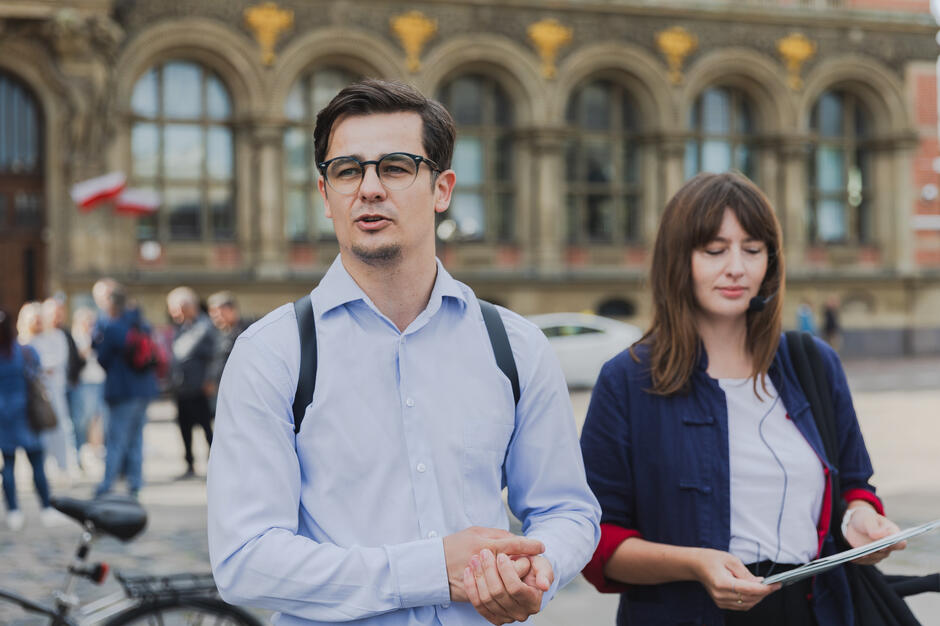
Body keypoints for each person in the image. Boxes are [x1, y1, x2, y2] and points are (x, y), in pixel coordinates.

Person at [207, 79, 600, 625]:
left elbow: (567, 509)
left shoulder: (514, 345)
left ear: (442, 189)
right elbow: (245, 560)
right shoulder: (272, 354)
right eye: (347, 170)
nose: (369, 188)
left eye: (395, 167)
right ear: (325, 195)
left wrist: (538, 568)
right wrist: (432, 570)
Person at [579, 172, 905, 626]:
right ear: (678, 259)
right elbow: (597, 541)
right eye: (714, 250)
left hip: (814, 611)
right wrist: (695, 563)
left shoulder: (813, 362)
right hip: (690, 614)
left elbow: (855, 484)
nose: (736, 267)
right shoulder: (628, 380)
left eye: (752, 250)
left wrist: (860, 519)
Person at [93, 283, 158, 498]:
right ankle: (135, 482)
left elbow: (102, 358)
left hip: (122, 390)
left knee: (116, 439)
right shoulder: (141, 323)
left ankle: (107, 483)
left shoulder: (112, 327)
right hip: (144, 389)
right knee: (136, 438)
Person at [0, 307, 63, 529]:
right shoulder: (25, 352)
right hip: (28, 414)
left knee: (8, 465)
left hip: (5, 416)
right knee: (37, 464)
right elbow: (39, 373)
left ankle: (14, 511)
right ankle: (46, 507)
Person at [19, 300, 78, 479]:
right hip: (33, 395)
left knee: (60, 429)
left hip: (55, 391)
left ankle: (63, 466)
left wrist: (42, 367)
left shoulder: (56, 337)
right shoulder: (23, 343)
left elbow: (56, 362)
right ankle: (39, 470)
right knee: (37, 432)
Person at [166, 286, 217, 479]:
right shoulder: (182, 327)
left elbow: (215, 356)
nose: (173, 314)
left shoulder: (206, 326)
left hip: (200, 388)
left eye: (175, 309)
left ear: (186, 307)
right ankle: (189, 465)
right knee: (184, 428)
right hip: (182, 387)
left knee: (207, 428)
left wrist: (210, 380)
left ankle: (215, 466)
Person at [71, 306, 109, 466]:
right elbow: (78, 358)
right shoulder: (76, 338)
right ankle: (79, 451)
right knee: (82, 419)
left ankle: (97, 449)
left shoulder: (99, 336)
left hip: (100, 381)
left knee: (100, 418)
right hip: (84, 383)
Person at [205, 291, 249, 416]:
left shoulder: (248, 331)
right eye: (212, 314)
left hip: (242, 390)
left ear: (231, 310)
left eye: (218, 313)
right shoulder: (218, 333)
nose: (215, 318)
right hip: (222, 390)